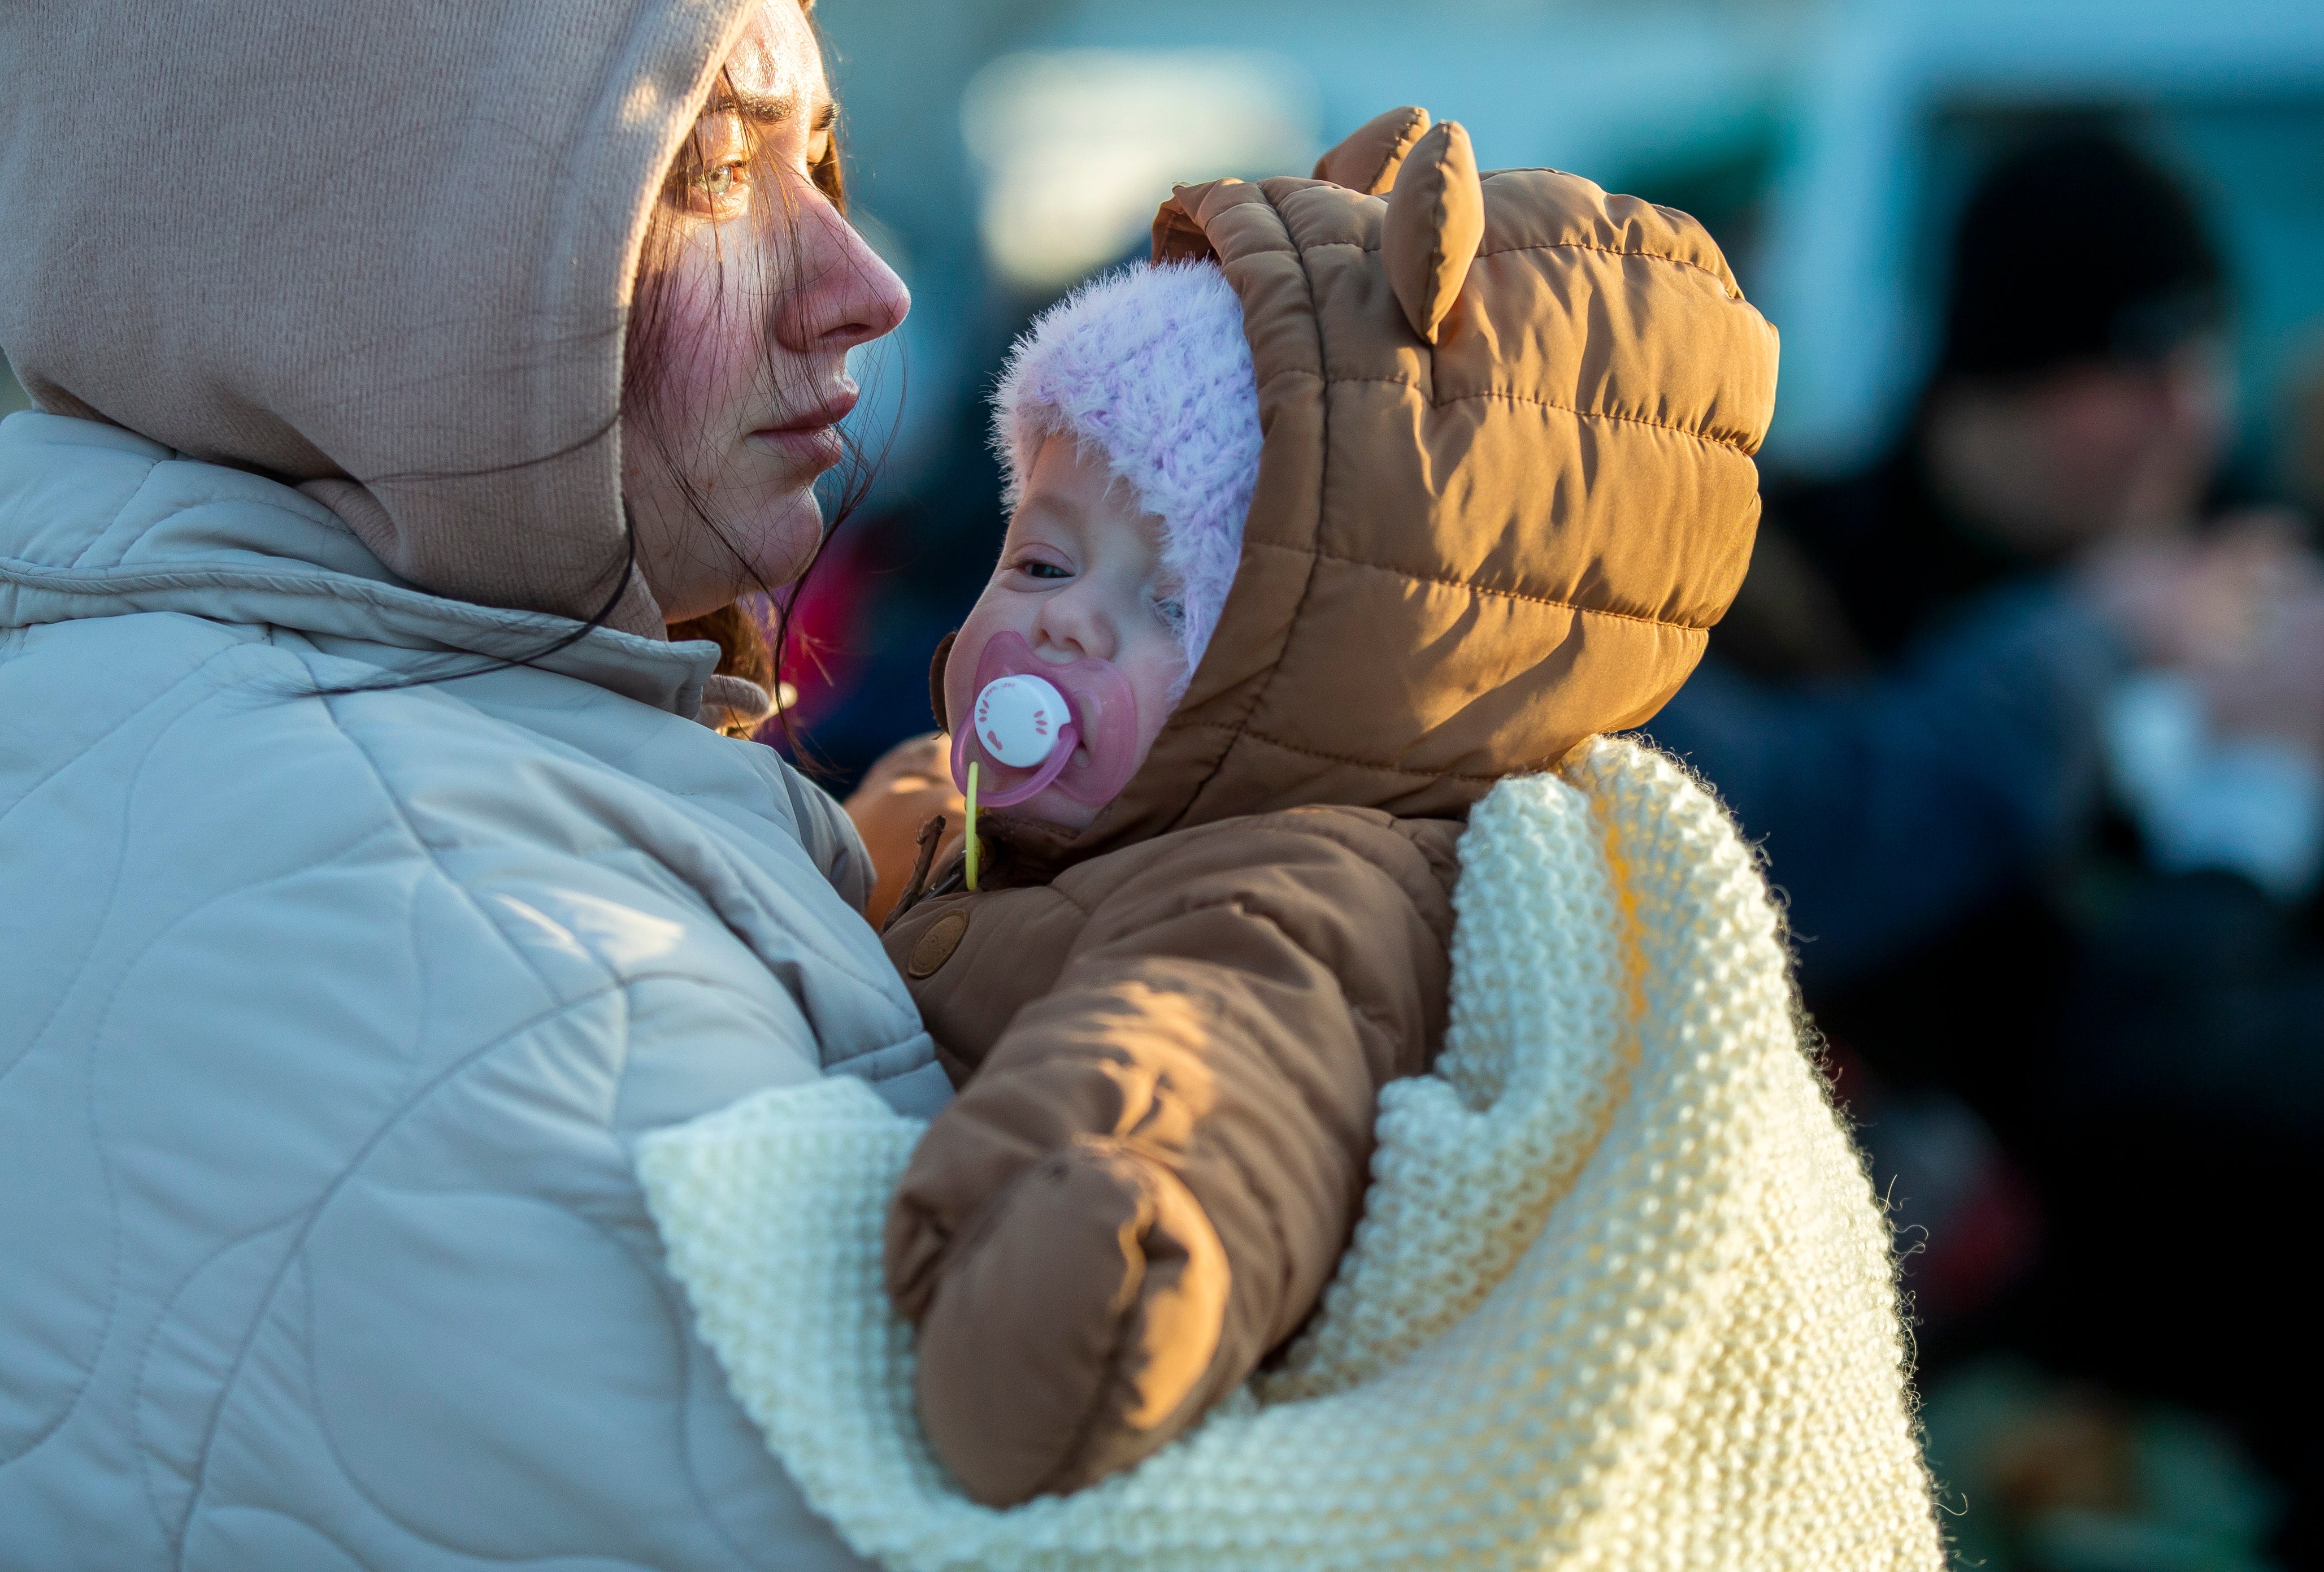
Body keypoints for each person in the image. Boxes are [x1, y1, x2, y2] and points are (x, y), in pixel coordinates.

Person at [0, 0, 947, 1571]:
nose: (859, 282)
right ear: (368, 275)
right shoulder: (482, 966)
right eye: (722, 179)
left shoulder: (241, 760)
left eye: (825, 158)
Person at [848, 112, 1795, 1506]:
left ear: (1313, 663)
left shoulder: (1287, 884)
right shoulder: (983, 806)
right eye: (1043, 559)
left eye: (1170, 604)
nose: (1060, 632)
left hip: (1065, 1252)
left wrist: (1104, 1244)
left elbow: (1208, 1066)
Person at [1649, 129, 2324, 1541]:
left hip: (2213, 1341)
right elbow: (1803, 846)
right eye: (2132, 368)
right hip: (1895, 1369)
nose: (2186, 413)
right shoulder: (1783, 574)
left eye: (2205, 359)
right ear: (1994, 370)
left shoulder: (2258, 568)